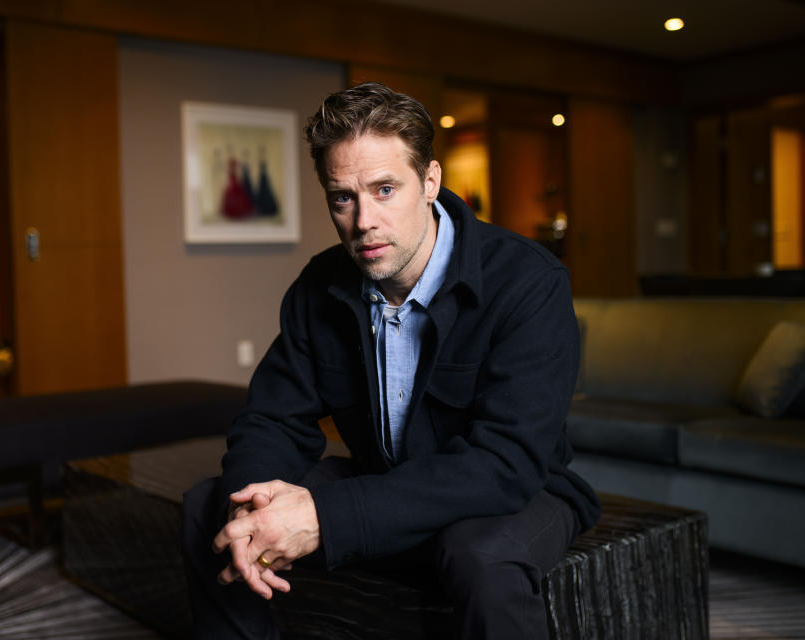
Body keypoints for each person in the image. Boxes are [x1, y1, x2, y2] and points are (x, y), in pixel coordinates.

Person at [182, 82, 601, 639]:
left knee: (479, 557)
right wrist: (254, 509)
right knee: (210, 505)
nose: (363, 222)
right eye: (342, 198)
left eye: (384, 189)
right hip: (386, 478)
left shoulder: (528, 282)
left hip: (520, 489)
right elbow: (271, 419)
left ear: (430, 181)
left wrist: (322, 518)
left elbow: (506, 464)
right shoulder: (319, 284)